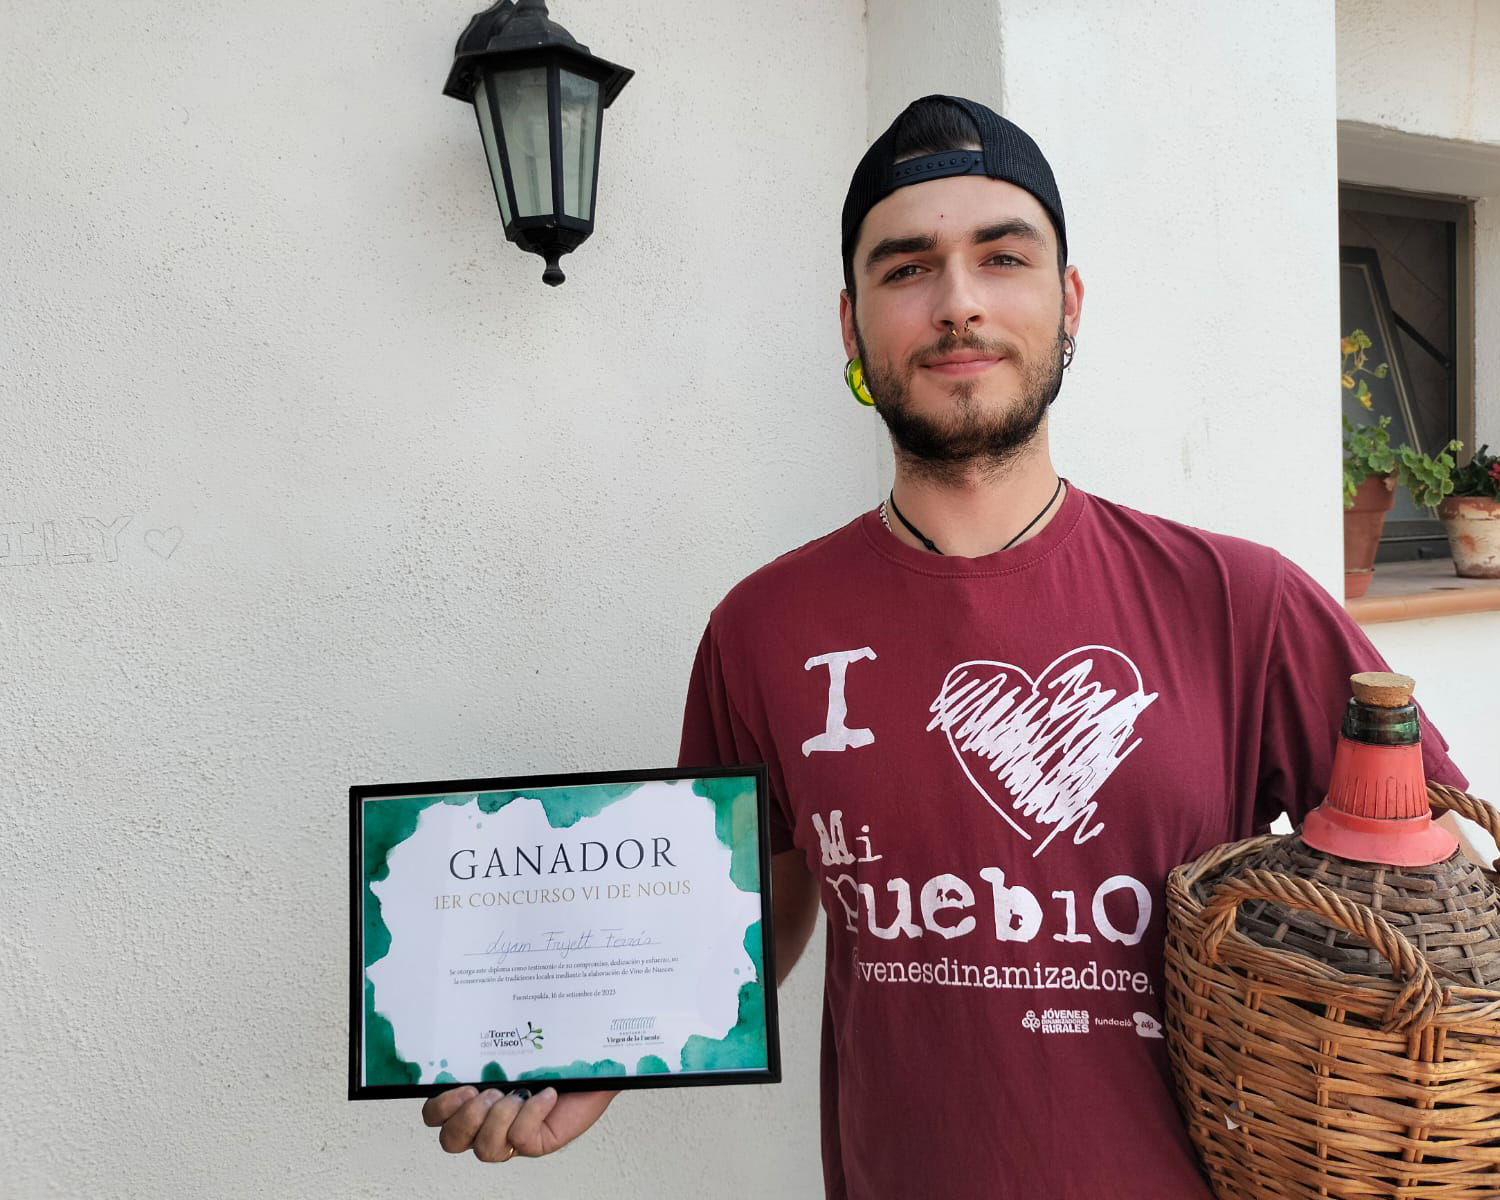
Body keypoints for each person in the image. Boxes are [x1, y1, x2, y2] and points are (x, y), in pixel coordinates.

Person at [422, 95, 1468, 1197]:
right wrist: (593, 1046)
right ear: (851, 324)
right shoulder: (763, 629)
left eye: (1001, 258)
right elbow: (753, 913)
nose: (958, 303)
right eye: (908, 267)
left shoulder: (1244, 603)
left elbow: (1435, 910)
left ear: (1067, 303)